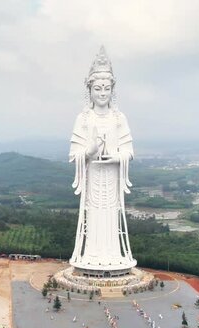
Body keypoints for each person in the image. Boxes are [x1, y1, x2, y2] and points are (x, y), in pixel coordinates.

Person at [69, 46, 136, 272]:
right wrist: (89, 151)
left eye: (106, 88)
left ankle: (114, 255)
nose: (102, 93)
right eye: (98, 88)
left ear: (113, 90)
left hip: (112, 178)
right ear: (90, 90)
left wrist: (117, 157)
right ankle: (91, 254)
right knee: (94, 216)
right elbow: (74, 153)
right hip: (93, 178)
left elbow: (129, 150)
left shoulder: (119, 118)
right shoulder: (83, 118)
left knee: (110, 216)